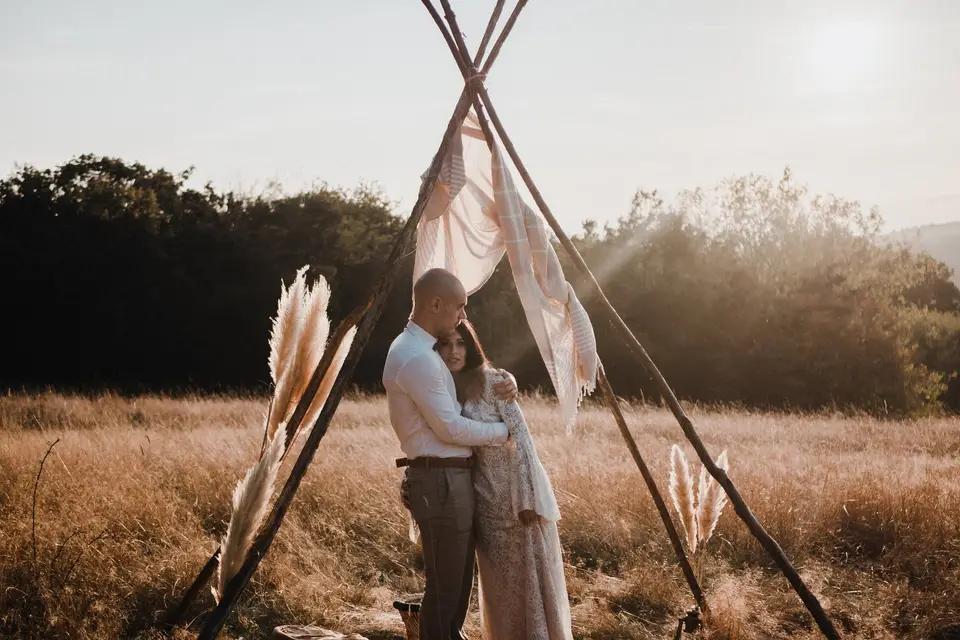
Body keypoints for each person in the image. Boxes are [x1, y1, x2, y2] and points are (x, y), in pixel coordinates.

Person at [382, 268, 517, 640]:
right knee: (444, 589)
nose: (462, 315)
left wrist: (508, 382)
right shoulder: (417, 357)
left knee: (457, 583)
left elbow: (467, 376)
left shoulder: (422, 351)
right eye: (459, 307)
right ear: (435, 304)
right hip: (440, 479)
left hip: (448, 477)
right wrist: (505, 431)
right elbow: (451, 428)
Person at [432, 319, 573, 640]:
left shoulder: (494, 381)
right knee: (500, 588)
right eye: (446, 344)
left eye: (460, 343)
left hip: (515, 500)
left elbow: (523, 438)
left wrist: (528, 498)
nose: (454, 351)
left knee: (531, 583)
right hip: (484, 506)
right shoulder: (440, 388)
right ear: (436, 349)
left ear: (471, 346)